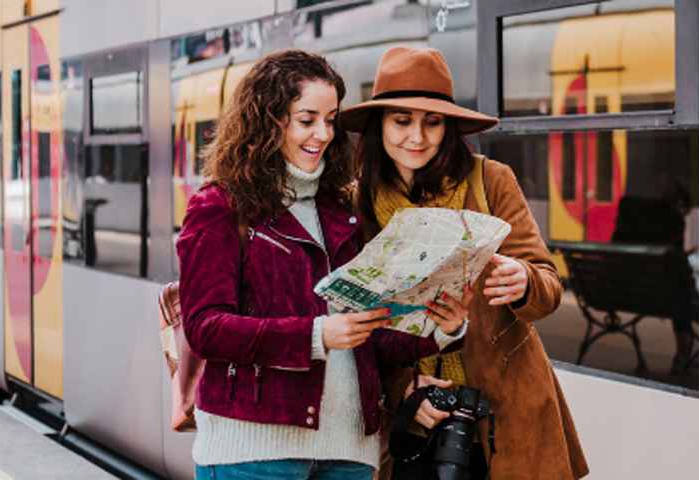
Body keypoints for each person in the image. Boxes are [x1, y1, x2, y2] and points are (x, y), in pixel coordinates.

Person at [176, 49, 467, 480]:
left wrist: (441, 329)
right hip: (254, 456)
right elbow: (205, 328)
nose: (323, 133)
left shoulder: (342, 209)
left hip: (349, 453)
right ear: (268, 120)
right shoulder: (220, 206)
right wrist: (315, 335)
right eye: (306, 119)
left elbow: (368, 339)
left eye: (331, 120)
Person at [340, 46, 589, 480]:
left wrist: (524, 281)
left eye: (432, 122)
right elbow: (352, 326)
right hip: (412, 418)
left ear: (449, 127)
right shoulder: (354, 202)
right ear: (378, 125)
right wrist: (402, 391)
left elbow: (548, 288)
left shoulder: (491, 179)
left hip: (504, 410)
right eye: (402, 121)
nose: (417, 137)